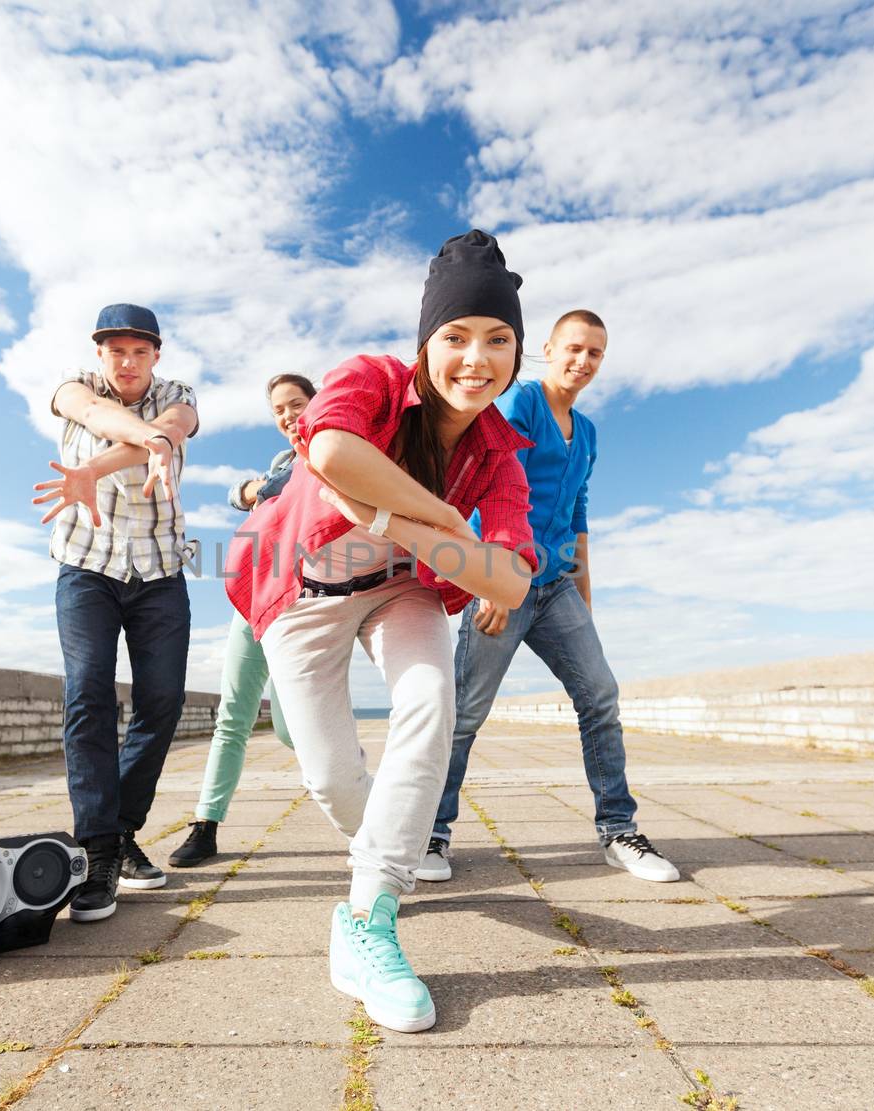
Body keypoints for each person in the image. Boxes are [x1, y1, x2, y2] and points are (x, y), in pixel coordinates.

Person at [226, 230, 536, 1033]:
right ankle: (386, 856)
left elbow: (510, 577)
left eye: (499, 340)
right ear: (426, 342)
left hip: (404, 590)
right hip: (305, 591)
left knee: (431, 700)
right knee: (331, 777)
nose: (478, 359)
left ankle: (368, 921)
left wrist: (397, 524)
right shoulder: (371, 377)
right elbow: (331, 450)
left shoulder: (502, 455)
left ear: (516, 351)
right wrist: (441, 520)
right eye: (457, 337)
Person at [414, 310, 679, 885]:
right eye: (574, 349)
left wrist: (584, 598)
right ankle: (430, 835)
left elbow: (578, 516)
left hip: (557, 587)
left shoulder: (586, 431)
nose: (583, 362)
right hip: (505, 580)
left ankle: (618, 829)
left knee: (601, 697)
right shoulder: (523, 403)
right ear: (550, 350)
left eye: (596, 354)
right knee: (464, 715)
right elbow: (492, 484)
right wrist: (493, 582)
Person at [31, 302, 198, 923]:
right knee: (88, 691)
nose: (127, 362)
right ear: (100, 354)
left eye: (140, 351)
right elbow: (97, 415)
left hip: (160, 572)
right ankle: (97, 849)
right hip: (85, 568)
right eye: (115, 351)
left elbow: (173, 425)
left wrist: (140, 445)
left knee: (162, 702)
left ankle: (123, 829)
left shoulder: (177, 393)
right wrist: (147, 438)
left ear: (156, 355)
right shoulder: (73, 388)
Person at [167, 373, 315, 867]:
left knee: (297, 732)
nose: (289, 415)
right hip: (254, 598)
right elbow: (245, 492)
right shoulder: (280, 461)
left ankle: (364, 793)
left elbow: (282, 491)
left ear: (317, 404)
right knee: (232, 716)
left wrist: (256, 488)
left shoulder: (336, 451)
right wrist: (248, 487)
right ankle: (205, 825)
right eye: (279, 410)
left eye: (297, 404)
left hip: (302, 605)